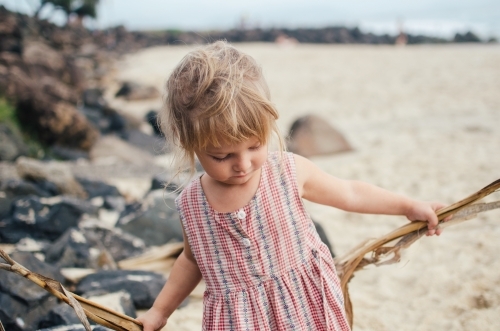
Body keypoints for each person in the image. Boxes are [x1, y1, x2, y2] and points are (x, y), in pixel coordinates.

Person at [137, 41, 445, 331]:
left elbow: (350, 193)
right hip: (238, 320)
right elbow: (192, 261)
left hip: (305, 308)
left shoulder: (287, 171)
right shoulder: (192, 202)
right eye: (222, 156)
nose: (242, 164)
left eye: (254, 147)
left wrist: (407, 206)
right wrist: (160, 312)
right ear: (191, 145)